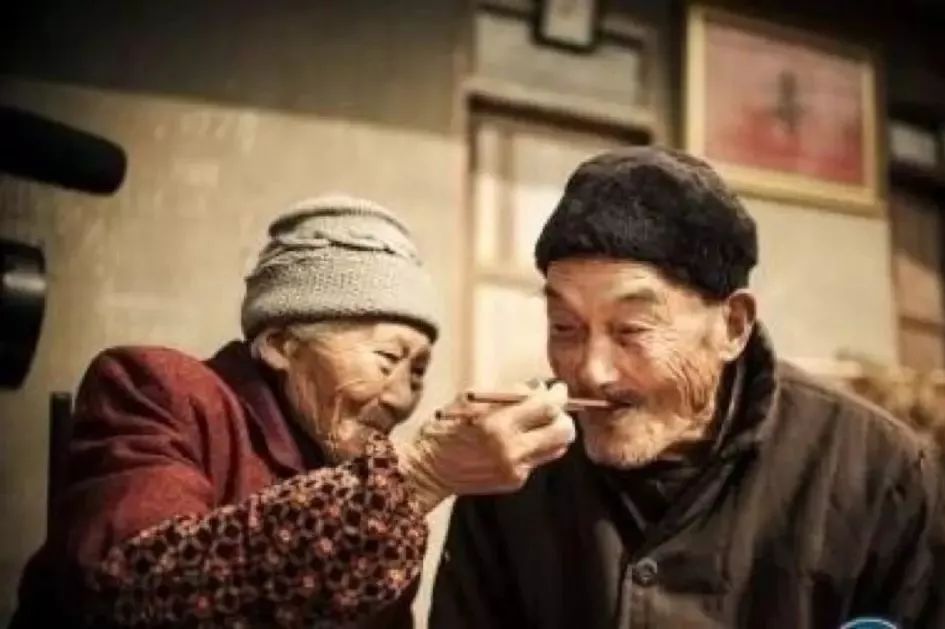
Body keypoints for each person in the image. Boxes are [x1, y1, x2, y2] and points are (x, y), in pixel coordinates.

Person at [430, 147, 945, 628]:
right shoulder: (512, 472)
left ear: (732, 326)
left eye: (631, 330)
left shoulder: (879, 475)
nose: (591, 371)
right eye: (564, 327)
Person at [12, 195, 576, 628]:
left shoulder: (371, 484)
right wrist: (417, 479)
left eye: (419, 372)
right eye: (387, 359)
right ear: (282, 344)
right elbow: (131, 591)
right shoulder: (158, 390)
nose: (402, 398)